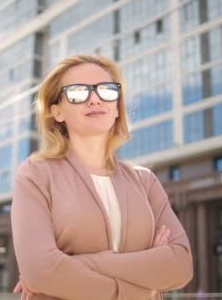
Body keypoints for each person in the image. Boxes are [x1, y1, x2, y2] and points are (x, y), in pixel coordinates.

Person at [11, 55, 193, 299]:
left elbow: (180, 266)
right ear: (57, 112)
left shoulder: (145, 181)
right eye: (78, 92)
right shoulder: (36, 174)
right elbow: (41, 272)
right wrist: (140, 286)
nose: (95, 99)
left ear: (117, 107)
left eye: (107, 90)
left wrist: (81, 263)